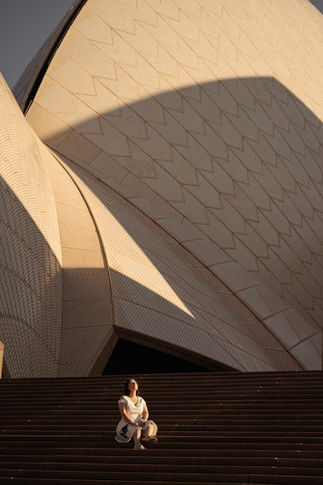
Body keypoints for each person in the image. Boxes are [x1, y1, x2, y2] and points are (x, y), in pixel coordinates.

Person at [115, 378, 158, 450]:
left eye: (134, 383)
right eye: (131, 383)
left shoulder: (141, 400)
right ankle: (137, 444)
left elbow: (145, 412)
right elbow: (123, 413)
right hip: (127, 423)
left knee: (150, 423)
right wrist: (131, 422)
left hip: (139, 421)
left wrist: (144, 419)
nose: (133, 384)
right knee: (137, 428)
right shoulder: (124, 399)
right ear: (128, 387)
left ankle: (147, 437)